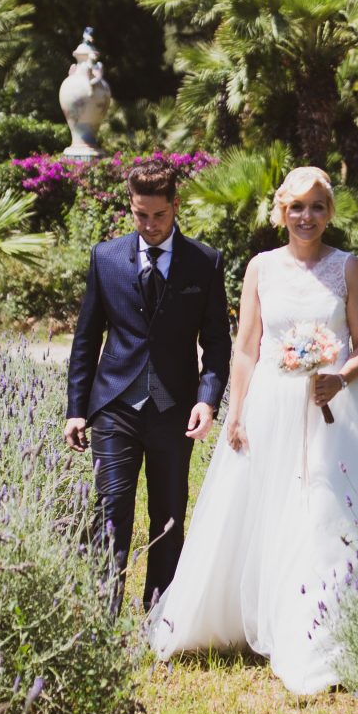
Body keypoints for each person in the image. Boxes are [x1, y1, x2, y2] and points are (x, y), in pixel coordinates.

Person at [148, 166, 358, 694]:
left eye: (317, 207)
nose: (306, 217)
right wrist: (235, 411)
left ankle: (319, 631)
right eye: (297, 207)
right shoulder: (260, 268)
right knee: (262, 508)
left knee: (324, 509)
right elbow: (246, 348)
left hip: (333, 410)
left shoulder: (348, 267)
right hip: (269, 403)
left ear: (329, 213)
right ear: (282, 212)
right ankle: (246, 615)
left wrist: (339, 377)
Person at [63, 164, 231, 614]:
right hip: (115, 405)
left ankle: (159, 615)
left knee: (169, 514)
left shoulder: (205, 262)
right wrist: (76, 408)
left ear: (175, 206)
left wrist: (207, 400)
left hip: (174, 408)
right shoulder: (105, 257)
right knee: (111, 510)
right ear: (131, 208)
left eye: (159, 215)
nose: (150, 225)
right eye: (141, 215)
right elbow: (86, 338)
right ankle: (103, 615)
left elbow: (217, 342)